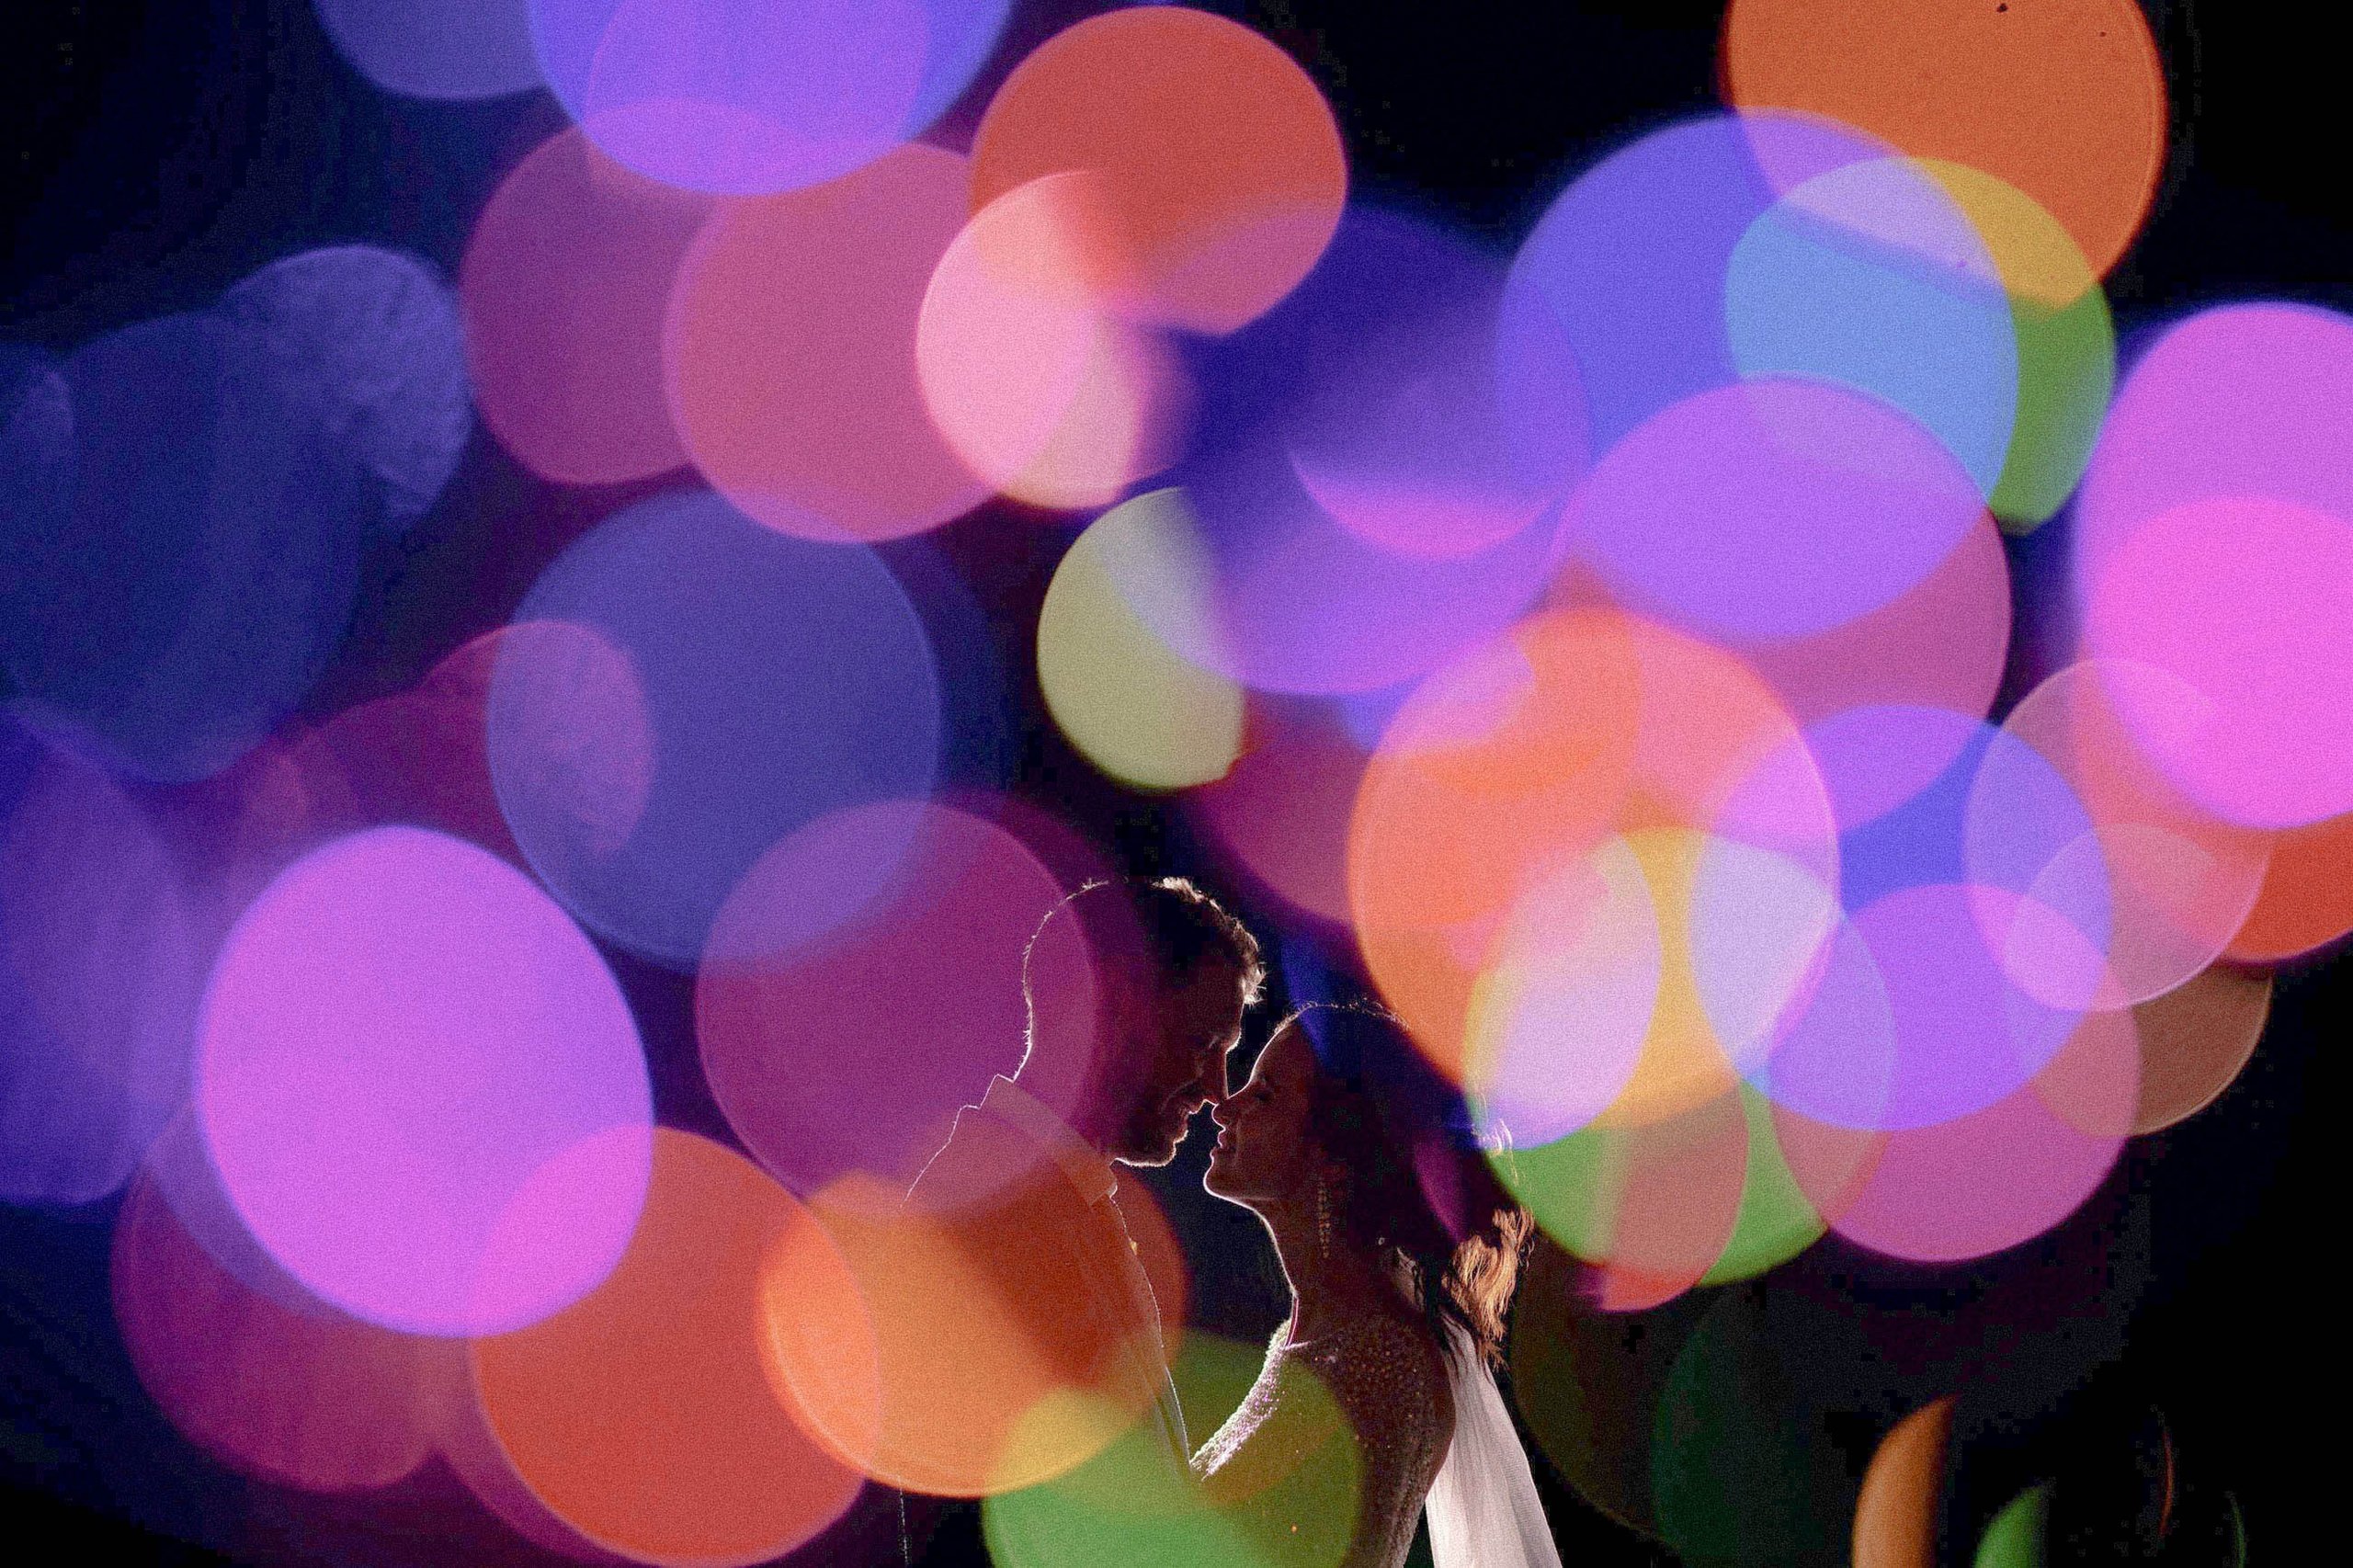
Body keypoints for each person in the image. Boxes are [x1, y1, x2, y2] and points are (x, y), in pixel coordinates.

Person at [884, 875, 1264, 1544]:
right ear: (1115, 1008)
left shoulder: (1055, 1198)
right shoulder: (986, 1215)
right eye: (1205, 1044)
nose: (1215, 1090)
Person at [1199, 1002, 1561, 1568]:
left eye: (1263, 1095)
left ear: (1337, 1157)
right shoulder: (1308, 1336)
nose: (1225, 1108)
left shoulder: (1382, 1360)